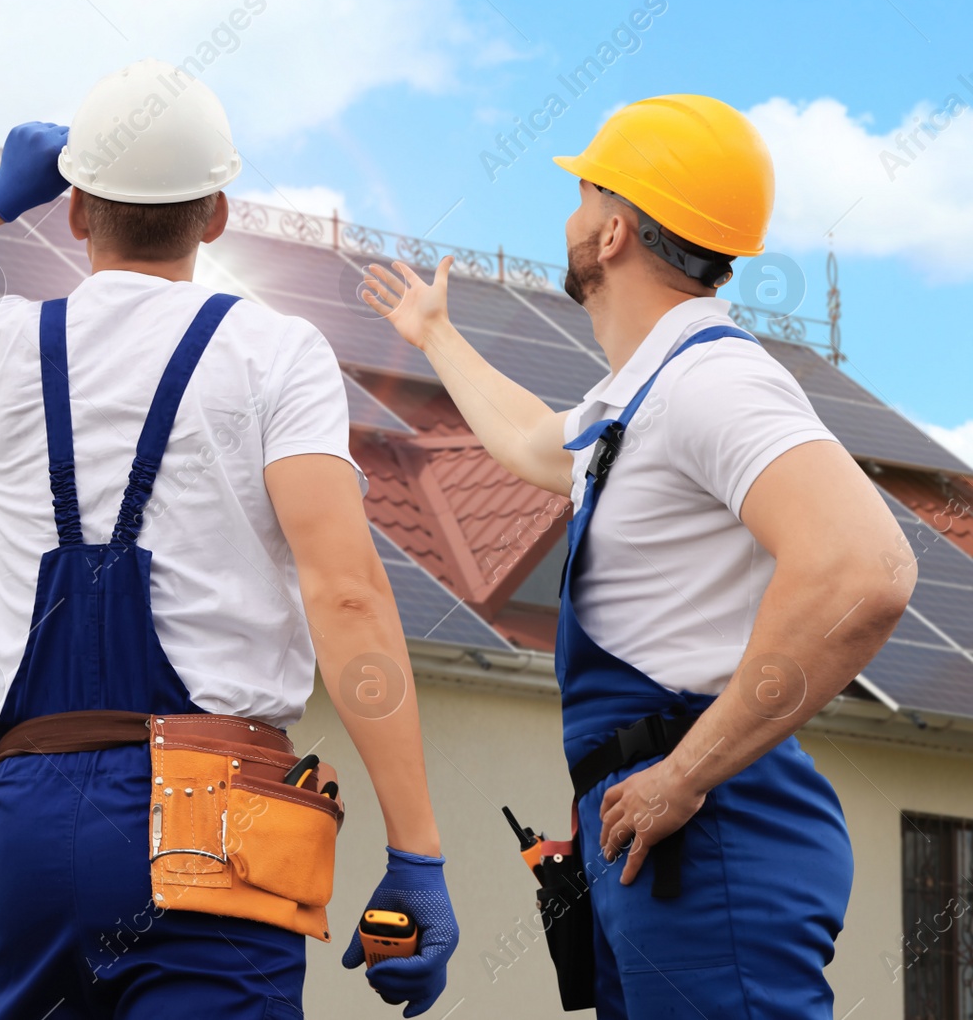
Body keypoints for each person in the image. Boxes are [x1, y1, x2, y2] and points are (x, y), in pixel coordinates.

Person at [0, 57, 459, 1019]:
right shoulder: (277, 353)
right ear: (218, 213)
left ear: (76, 212)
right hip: (215, 818)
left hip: (34, 808)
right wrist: (416, 852)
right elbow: (349, 596)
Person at [362, 94, 914, 1018]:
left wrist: (686, 772)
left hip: (711, 836)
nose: (569, 219)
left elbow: (866, 569)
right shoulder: (643, 394)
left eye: (581, 198)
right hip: (656, 844)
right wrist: (435, 336)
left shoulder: (713, 380)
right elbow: (540, 444)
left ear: (613, 231)